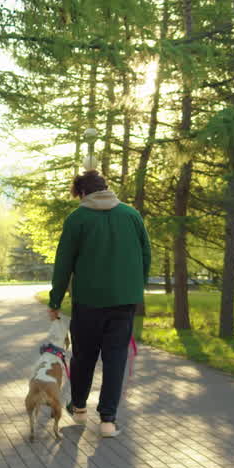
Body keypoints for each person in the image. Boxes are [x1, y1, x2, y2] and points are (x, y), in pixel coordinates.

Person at [48, 169, 151, 438]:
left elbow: (63, 264)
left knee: (84, 357)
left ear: (83, 192)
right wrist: (136, 287)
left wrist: (55, 301)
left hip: (88, 302)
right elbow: (145, 254)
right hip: (124, 302)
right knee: (116, 359)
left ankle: (79, 409)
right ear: (106, 188)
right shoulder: (131, 215)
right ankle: (108, 421)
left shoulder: (77, 219)